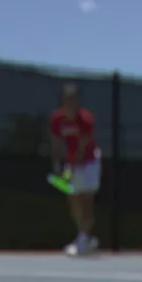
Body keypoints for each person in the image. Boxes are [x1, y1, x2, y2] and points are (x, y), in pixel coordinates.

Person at [49, 83, 101, 256]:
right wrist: (57, 164)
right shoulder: (57, 119)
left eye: (73, 100)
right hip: (73, 163)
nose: (70, 103)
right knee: (73, 200)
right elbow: (56, 143)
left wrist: (69, 169)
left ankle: (82, 240)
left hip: (90, 162)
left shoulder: (86, 119)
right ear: (63, 101)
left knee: (86, 201)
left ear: (78, 101)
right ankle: (86, 238)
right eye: (67, 100)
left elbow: (81, 149)